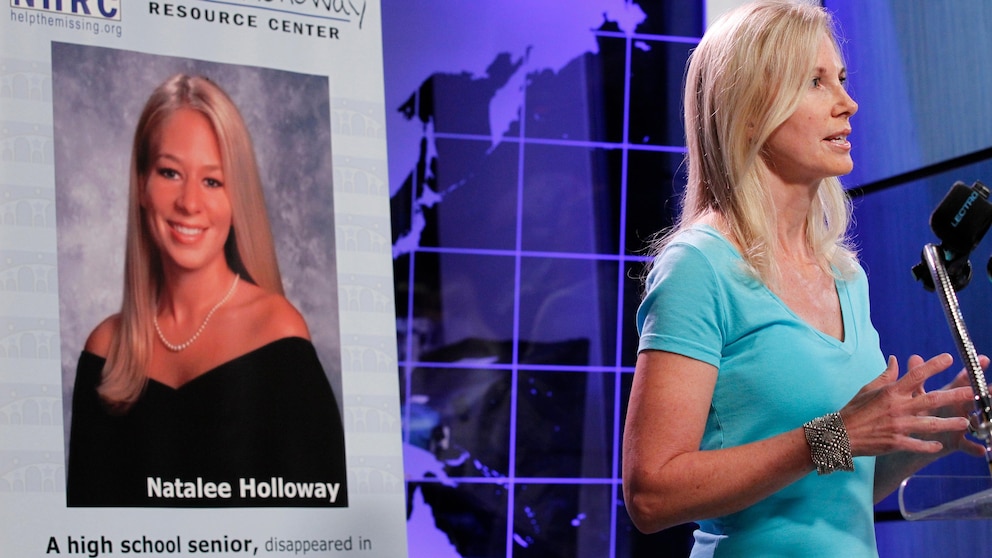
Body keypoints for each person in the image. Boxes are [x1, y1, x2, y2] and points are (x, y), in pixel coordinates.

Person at [621, 1, 987, 556]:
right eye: (815, 83)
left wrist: (926, 434)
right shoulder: (700, 267)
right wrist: (835, 433)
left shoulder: (844, 274)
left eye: (840, 78)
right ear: (748, 111)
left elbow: (837, 486)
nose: (849, 103)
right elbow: (650, 494)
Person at [66, 74, 348, 507]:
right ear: (141, 185)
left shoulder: (278, 332)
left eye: (213, 181)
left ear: (238, 198)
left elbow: (322, 533)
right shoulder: (105, 349)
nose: (190, 203)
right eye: (170, 173)